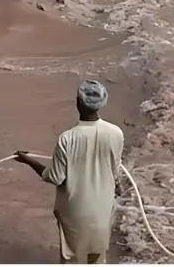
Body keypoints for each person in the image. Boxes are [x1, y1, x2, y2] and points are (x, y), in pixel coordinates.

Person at [15, 80, 124, 264]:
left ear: (78, 103)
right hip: (103, 208)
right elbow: (115, 170)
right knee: (96, 255)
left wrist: (28, 160)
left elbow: (54, 177)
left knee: (72, 258)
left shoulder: (68, 138)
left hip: (75, 211)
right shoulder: (116, 133)